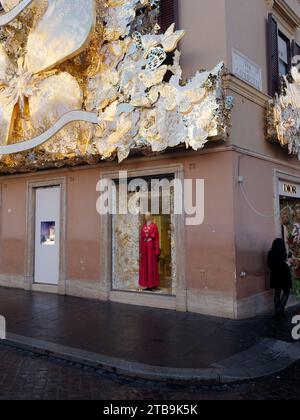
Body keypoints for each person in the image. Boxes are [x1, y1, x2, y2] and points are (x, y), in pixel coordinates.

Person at [267, 238, 292, 317]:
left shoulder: (270, 253)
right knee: (286, 292)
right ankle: (279, 310)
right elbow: (286, 263)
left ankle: (278, 311)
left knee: (277, 293)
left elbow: (269, 264)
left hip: (275, 275)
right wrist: (289, 257)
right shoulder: (283, 253)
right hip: (284, 275)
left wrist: (274, 269)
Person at [139, 212, 160, 291]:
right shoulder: (143, 226)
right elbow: (141, 238)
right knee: (145, 265)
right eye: (145, 216)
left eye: (147, 215)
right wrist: (141, 249)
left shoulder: (154, 226)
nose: (146, 217)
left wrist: (157, 249)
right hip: (145, 247)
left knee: (151, 264)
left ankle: (152, 284)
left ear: (151, 216)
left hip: (151, 247)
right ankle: (145, 284)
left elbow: (157, 239)